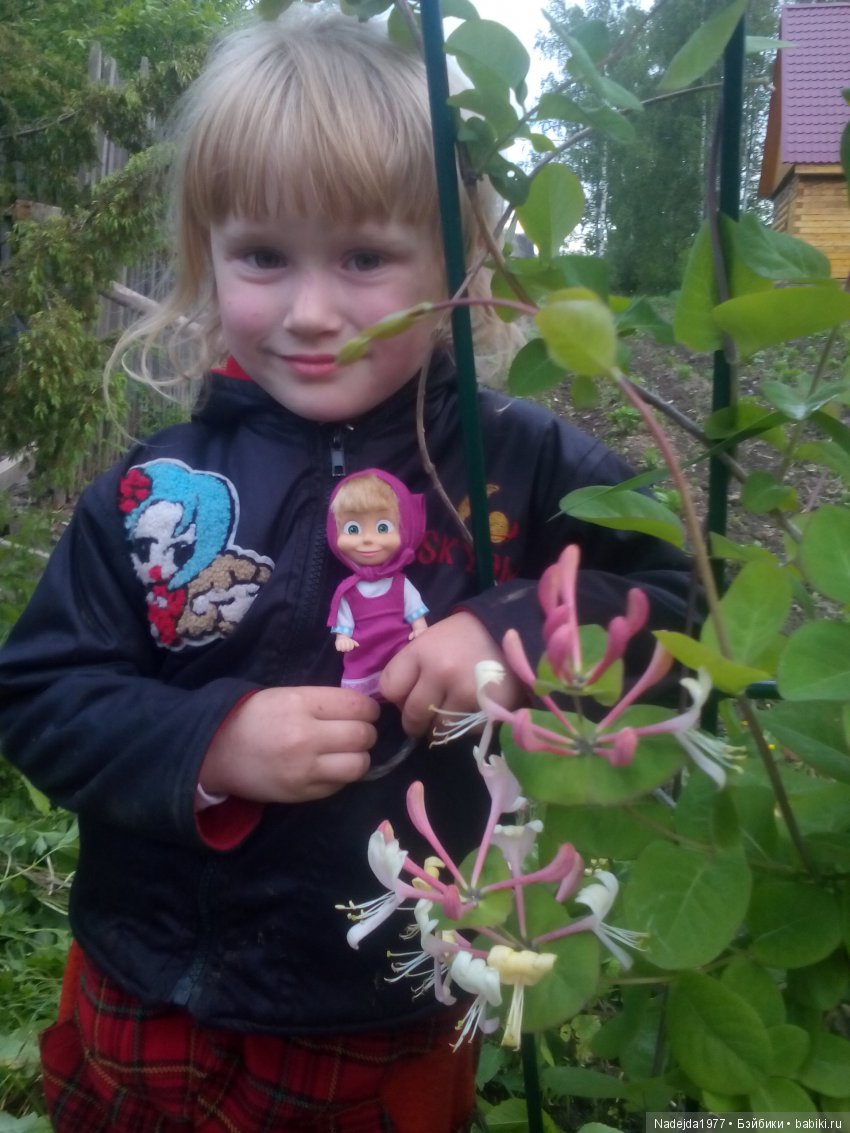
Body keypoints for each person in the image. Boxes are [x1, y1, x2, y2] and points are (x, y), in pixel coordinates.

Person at [0, 5, 697, 1131]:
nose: (312, 311)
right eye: (263, 256)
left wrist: (511, 625)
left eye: (366, 257)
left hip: (392, 1000)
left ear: (456, 261)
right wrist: (209, 743)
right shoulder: (155, 489)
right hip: (152, 980)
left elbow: (679, 606)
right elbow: (39, 692)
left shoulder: (517, 463)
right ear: (207, 253)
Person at [327, 469, 429, 697]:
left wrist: (420, 628)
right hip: (363, 649)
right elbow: (344, 618)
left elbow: (414, 609)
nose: (367, 539)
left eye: (383, 527)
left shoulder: (400, 583)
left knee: (406, 682)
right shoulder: (348, 590)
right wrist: (343, 637)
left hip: (399, 644)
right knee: (358, 695)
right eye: (353, 529)